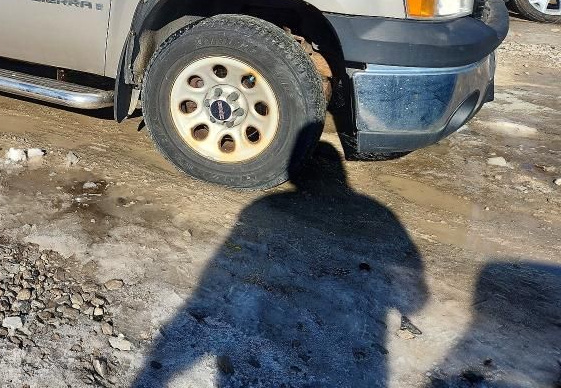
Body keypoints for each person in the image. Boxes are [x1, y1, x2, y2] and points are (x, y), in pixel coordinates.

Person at [131, 142, 427, 387]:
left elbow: (214, 278)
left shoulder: (265, 207)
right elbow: (416, 300)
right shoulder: (377, 214)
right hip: (352, 360)